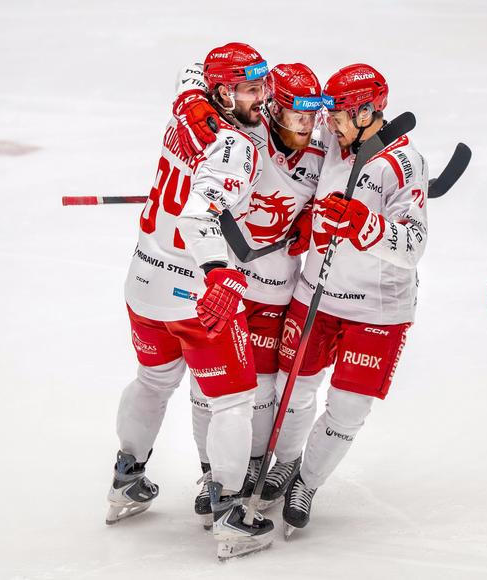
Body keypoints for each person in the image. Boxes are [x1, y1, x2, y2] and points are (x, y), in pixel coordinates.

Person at [108, 41, 274, 559]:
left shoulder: (187, 104)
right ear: (223, 90)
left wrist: (199, 101)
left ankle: (126, 479)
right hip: (195, 294)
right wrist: (221, 274)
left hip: (143, 280)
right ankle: (230, 514)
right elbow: (199, 217)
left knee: (153, 380)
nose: (263, 99)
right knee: (232, 401)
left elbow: (189, 71)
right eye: (251, 88)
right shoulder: (237, 147)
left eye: (264, 85)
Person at [265, 63, 430, 536]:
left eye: (337, 113)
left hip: (377, 308)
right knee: (291, 390)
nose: (327, 121)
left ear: (366, 111)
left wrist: (366, 225)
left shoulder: (404, 163)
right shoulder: (331, 141)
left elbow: (414, 242)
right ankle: (286, 463)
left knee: (347, 408)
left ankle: (308, 482)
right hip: (315, 291)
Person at [174, 61, 325, 521]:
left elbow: (346, 193)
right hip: (230, 283)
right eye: (298, 114)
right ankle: (219, 472)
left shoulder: (323, 155)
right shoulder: (246, 136)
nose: (307, 124)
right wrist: (190, 102)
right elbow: (193, 72)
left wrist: (312, 217)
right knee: (215, 391)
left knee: (278, 388)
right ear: (275, 107)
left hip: (278, 290)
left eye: (313, 115)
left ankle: (282, 461)